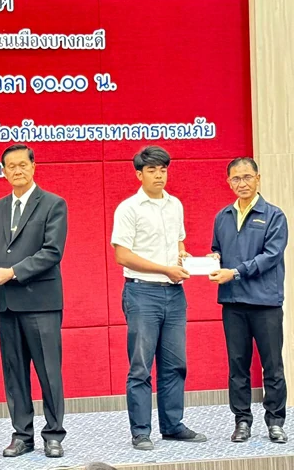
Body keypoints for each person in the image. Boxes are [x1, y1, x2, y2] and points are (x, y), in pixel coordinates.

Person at [0, 144, 68, 458]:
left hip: (41, 303)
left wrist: (12, 272)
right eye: (10, 166)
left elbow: (52, 252)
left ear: (33, 166)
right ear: (3, 171)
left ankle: (54, 434)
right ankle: (22, 435)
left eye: (22, 164)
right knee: (14, 374)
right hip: (7, 304)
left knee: (48, 372)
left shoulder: (53, 204)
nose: (17, 170)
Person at [111, 145, 206, 450]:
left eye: (163, 170)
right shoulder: (128, 208)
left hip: (174, 293)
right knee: (141, 366)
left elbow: (179, 243)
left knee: (175, 364)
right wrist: (165, 268)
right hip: (142, 292)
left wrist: (184, 258)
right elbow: (122, 256)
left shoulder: (175, 205)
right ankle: (141, 431)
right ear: (139, 174)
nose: (159, 175)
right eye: (151, 170)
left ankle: (172, 425)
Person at [209, 157, 288, 444]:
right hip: (233, 303)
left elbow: (271, 256)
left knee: (272, 365)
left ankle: (275, 421)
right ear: (228, 182)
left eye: (247, 177)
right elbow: (217, 249)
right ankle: (242, 421)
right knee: (237, 366)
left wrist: (234, 272)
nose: (241, 183)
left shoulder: (274, 215)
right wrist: (213, 260)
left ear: (258, 178)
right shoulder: (222, 216)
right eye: (236, 178)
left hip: (265, 303)